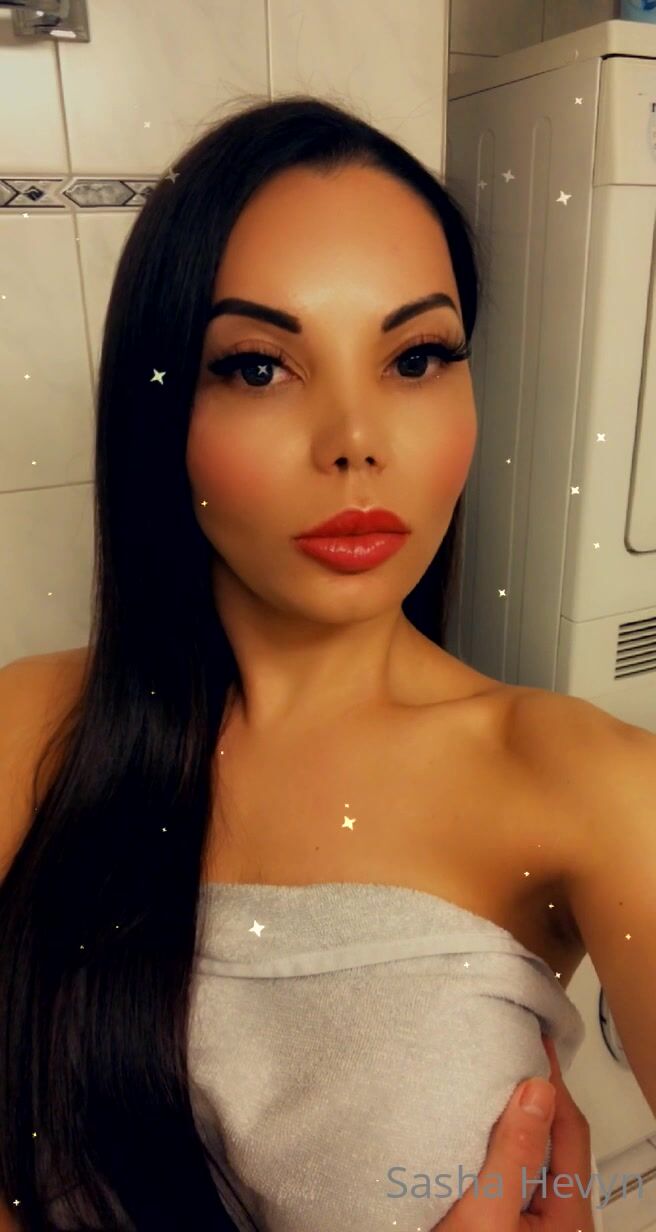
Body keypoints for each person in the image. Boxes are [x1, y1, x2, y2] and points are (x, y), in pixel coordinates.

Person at [0, 94, 595, 1229]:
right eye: (259, 368)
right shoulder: (28, 728)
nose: (356, 441)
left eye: (416, 356)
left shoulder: (583, 782)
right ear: (162, 412)